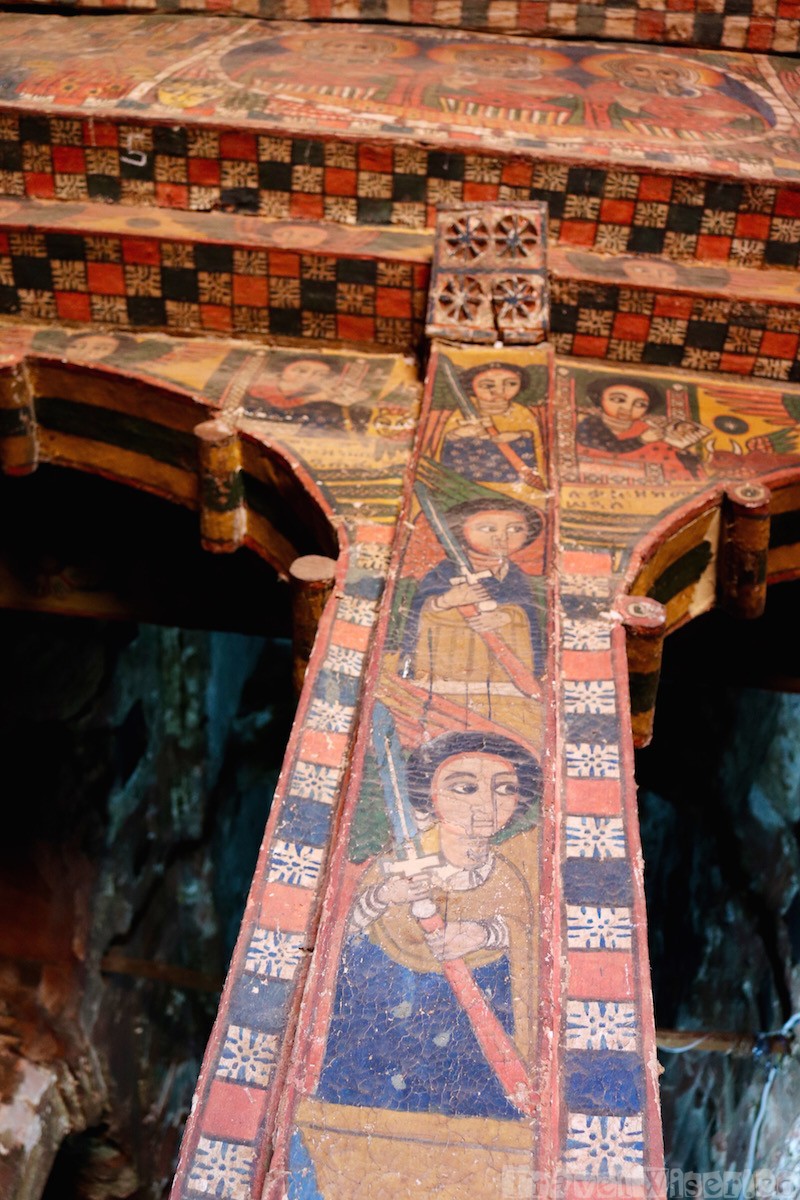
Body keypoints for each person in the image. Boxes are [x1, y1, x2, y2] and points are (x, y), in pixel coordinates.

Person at [317, 731, 540, 1120]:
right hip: (383, 1029)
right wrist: (385, 896)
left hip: (474, 1043)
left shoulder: (507, 879)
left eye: (505, 789)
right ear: (430, 796)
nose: (486, 805)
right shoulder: (394, 867)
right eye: (465, 787)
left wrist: (485, 934)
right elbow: (338, 937)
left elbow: (529, 940)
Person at [400, 497, 545, 737]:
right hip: (450, 674)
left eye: (515, 529)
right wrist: (446, 601)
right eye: (488, 529)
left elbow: (531, 621)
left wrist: (507, 617)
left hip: (506, 680)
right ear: (462, 532)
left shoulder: (517, 577)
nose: (501, 538)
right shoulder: (443, 572)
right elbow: (416, 614)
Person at [576, 376, 704, 481]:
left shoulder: (645, 428)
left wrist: (682, 453)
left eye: (640, 404)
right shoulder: (590, 425)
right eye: (618, 400)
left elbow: (665, 454)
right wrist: (641, 440)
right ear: (600, 400)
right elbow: (608, 447)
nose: (627, 408)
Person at [436, 362, 544, 485]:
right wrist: (456, 435)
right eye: (487, 385)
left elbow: (538, 446)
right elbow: (446, 454)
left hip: (514, 477)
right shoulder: (458, 414)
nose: (499, 391)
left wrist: (520, 435)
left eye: (511, 384)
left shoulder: (522, 413)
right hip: (470, 479)